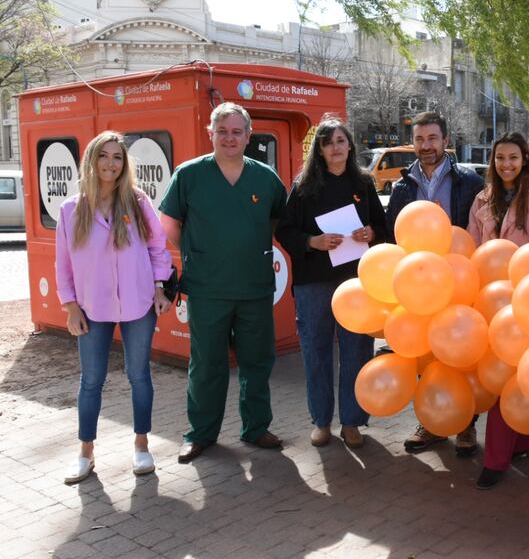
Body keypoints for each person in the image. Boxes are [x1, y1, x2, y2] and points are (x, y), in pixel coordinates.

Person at [159, 102, 288, 464]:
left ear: (249, 136)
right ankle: (200, 434)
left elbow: (278, 219)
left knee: (257, 362)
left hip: (254, 287)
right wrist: (198, 251)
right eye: (223, 131)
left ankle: (256, 427)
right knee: (206, 364)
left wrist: (249, 243)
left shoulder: (264, 177)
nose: (229, 138)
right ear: (210, 134)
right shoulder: (189, 175)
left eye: (236, 131)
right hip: (207, 288)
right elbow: (169, 223)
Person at [56, 131, 173, 484]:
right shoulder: (71, 210)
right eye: (104, 156)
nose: (111, 163)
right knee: (91, 380)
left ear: (125, 164)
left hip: (139, 305)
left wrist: (160, 288)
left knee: (140, 376)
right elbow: (63, 264)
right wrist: (70, 306)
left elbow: (158, 248)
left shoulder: (137, 203)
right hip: (91, 308)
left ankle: (141, 445)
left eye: (118, 157)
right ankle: (86, 453)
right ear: (92, 161)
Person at [275, 118, 389, 449]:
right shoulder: (304, 185)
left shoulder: (364, 182)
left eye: (341, 141)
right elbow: (285, 229)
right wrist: (314, 242)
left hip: (357, 282)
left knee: (356, 350)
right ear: (319, 150)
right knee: (316, 350)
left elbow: (382, 228)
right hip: (314, 283)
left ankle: (352, 422)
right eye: (328, 142)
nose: (335, 147)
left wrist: (371, 233)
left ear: (350, 146)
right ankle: (321, 422)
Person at [386, 111, 484, 456]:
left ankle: (466, 425)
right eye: (420, 139)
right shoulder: (402, 187)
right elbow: (393, 237)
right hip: (419, 287)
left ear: (446, 140)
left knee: (460, 352)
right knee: (423, 356)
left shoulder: (468, 182)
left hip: (458, 281)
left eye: (432, 138)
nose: (426, 146)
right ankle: (431, 422)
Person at [466, 132, 529, 489]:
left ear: (525, 160)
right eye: (500, 158)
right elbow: (474, 249)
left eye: (513, 158)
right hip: (490, 300)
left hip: (527, 299)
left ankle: (495, 459)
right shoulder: (482, 198)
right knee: (503, 376)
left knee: (515, 377)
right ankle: (527, 441)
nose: (507, 164)